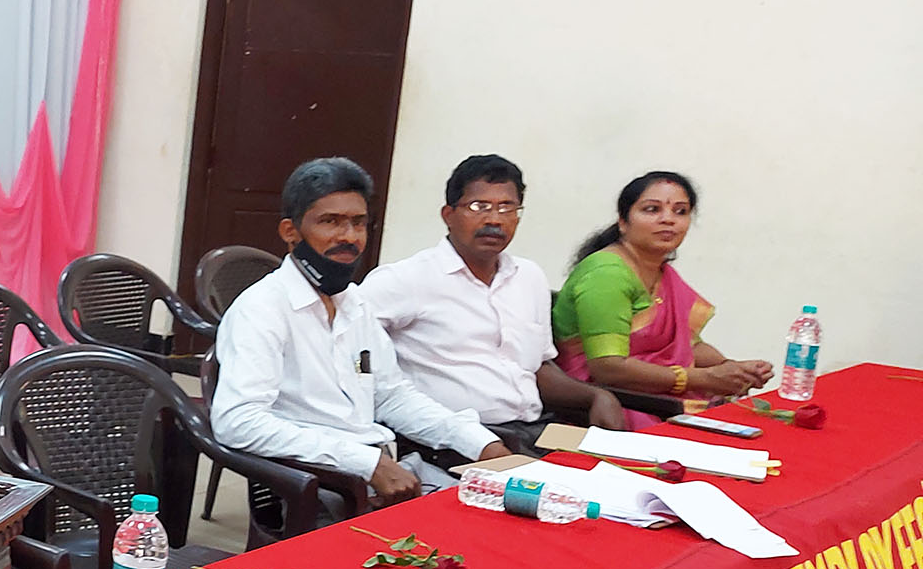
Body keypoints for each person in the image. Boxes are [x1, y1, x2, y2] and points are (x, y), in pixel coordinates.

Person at [211, 157, 512, 504]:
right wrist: (366, 463)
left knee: (511, 511)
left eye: (358, 223)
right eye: (330, 222)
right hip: (320, 484)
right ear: (290, 232)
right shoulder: (262, 308)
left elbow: (391, 396)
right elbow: (237, 421)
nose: (349, 237)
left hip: (386, 469)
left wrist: (479, 442)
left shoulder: (353, 303)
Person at [362, 155, 627, 453]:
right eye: (479, 207)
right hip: (454, 440)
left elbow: (536, 367)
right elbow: (345, 346)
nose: (494, 220)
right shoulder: (405, 279)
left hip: (537, 430)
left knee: (631, 469)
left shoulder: (529, 276)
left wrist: (594, 396)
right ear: (448, 214)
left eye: (507, 208)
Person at [553, 171, 773, 423]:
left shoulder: (662, 274)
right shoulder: (606, 274)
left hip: (655, 394)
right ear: (623, 222)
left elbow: (689, 346)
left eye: (680, 211)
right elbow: (608, 367)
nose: (668, 219)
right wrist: (704, 378)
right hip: (606, 400)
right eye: (652, 209)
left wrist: (732, 369)